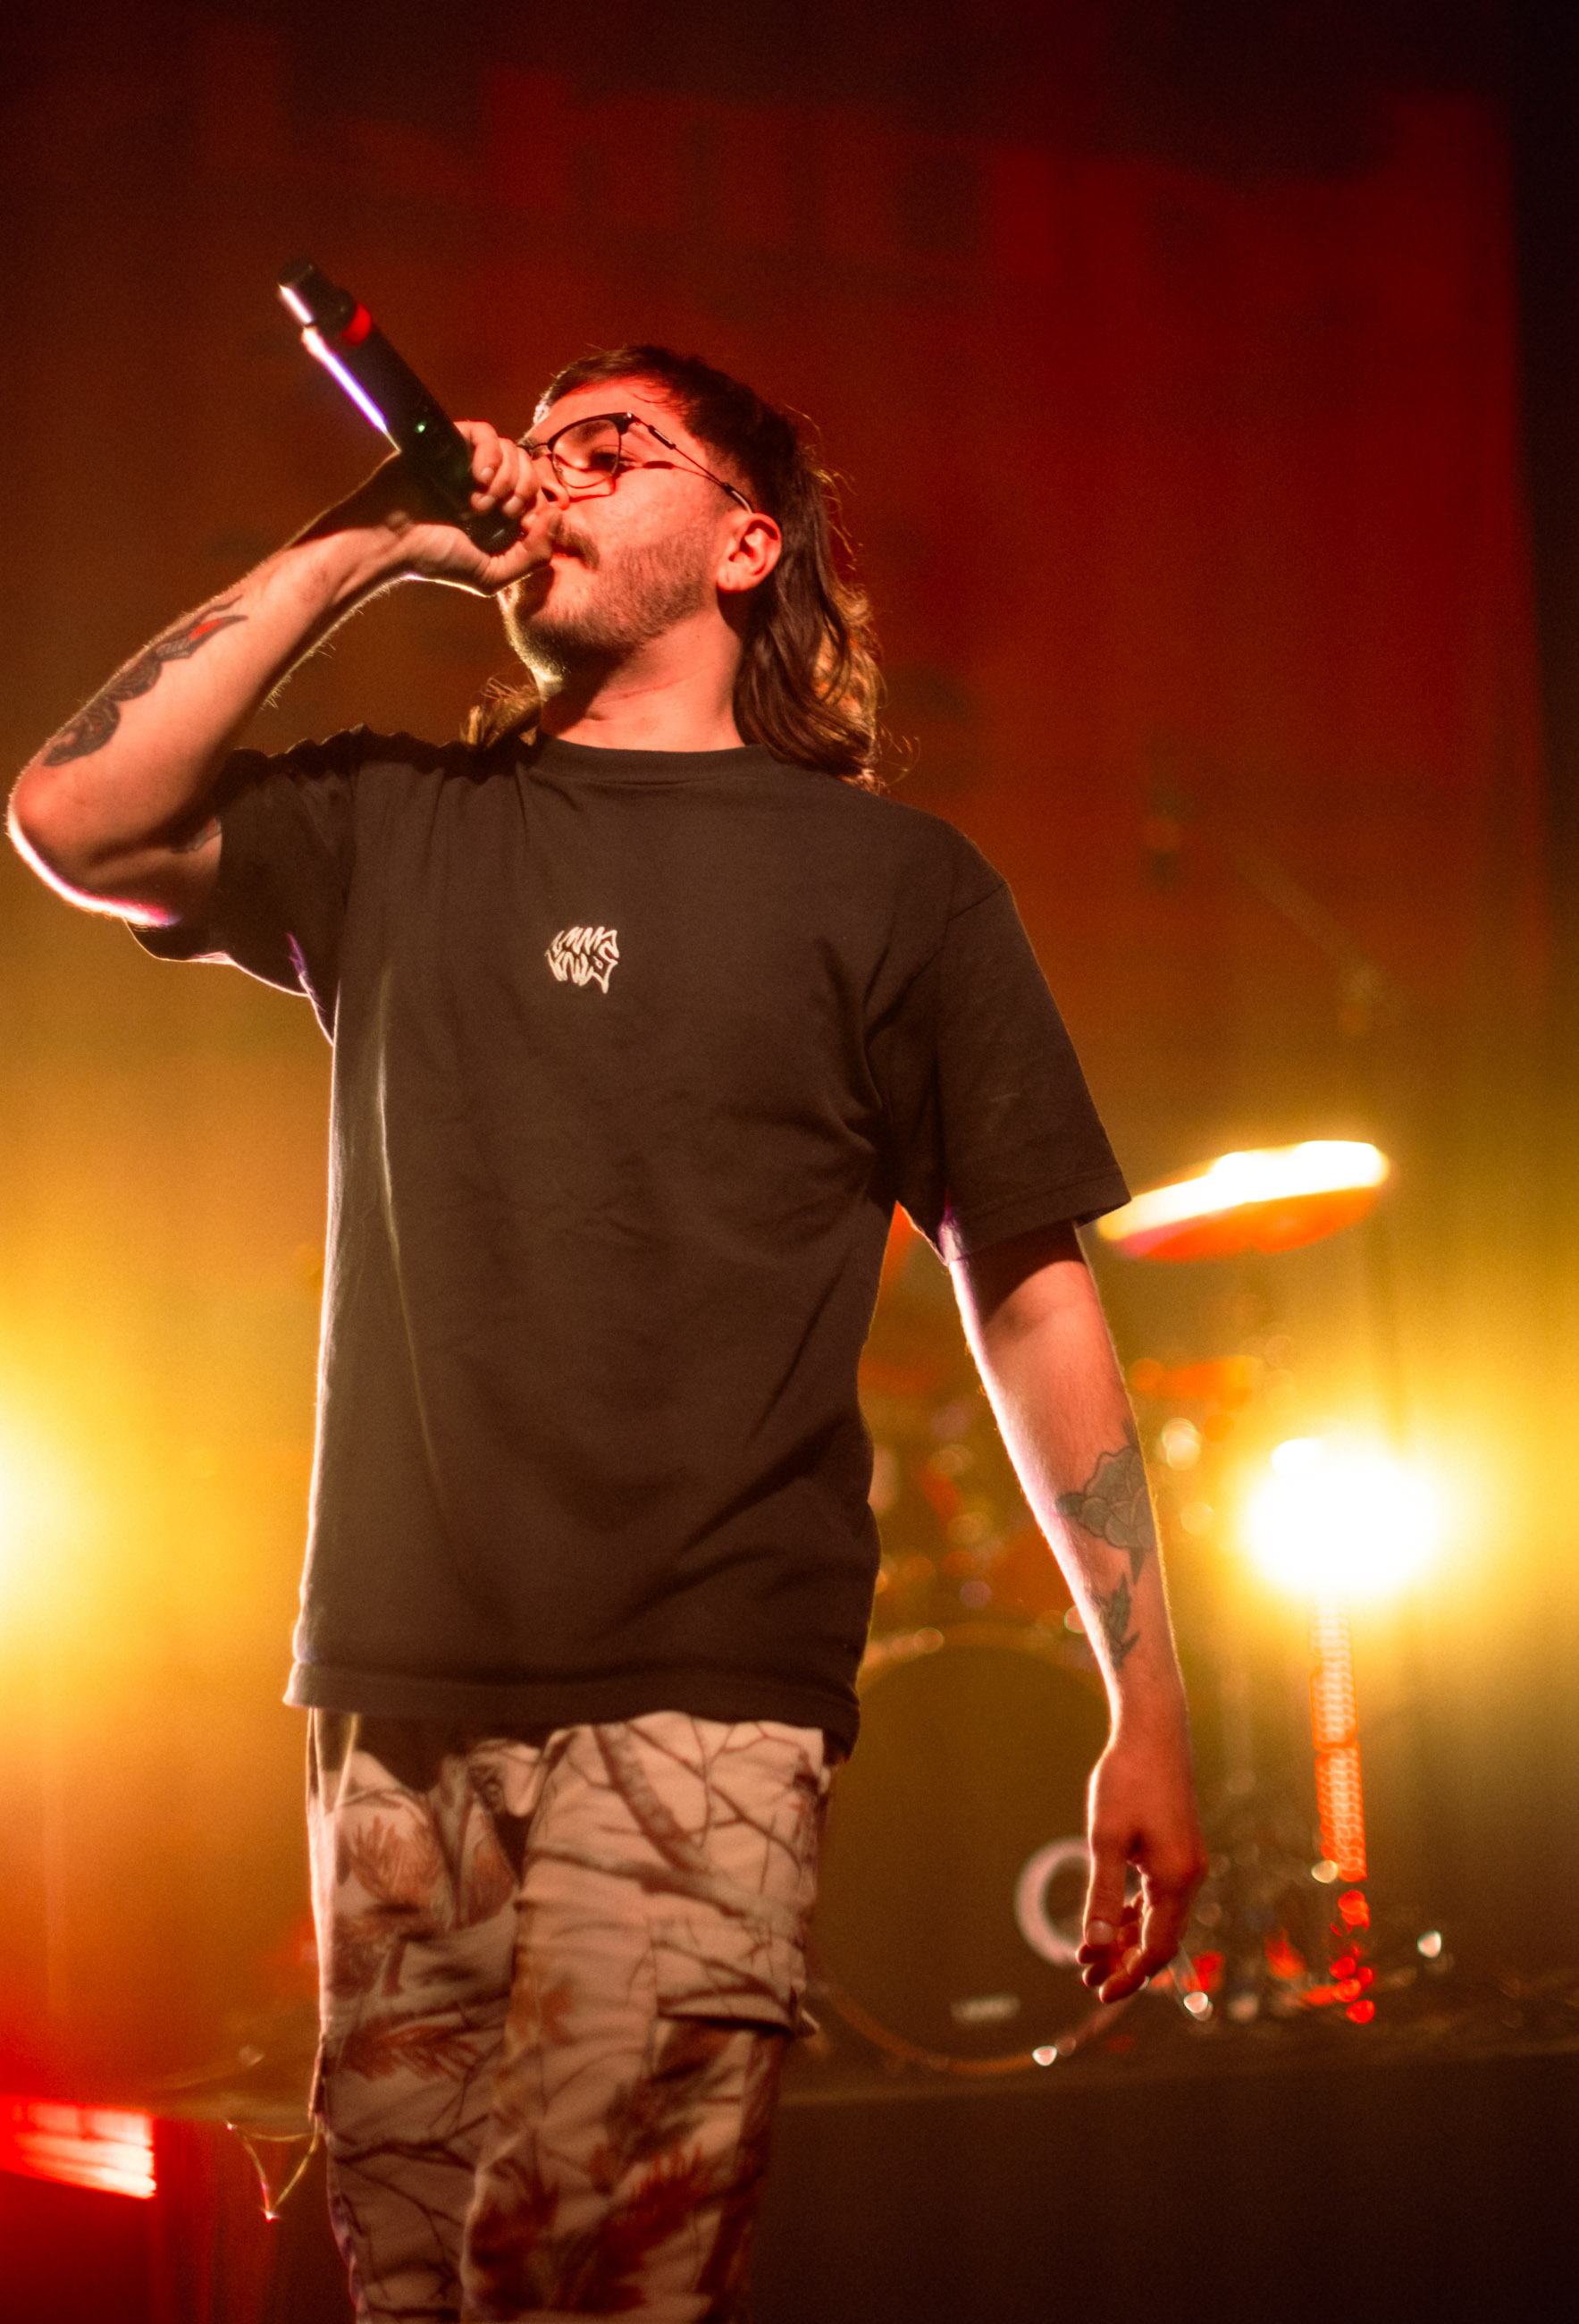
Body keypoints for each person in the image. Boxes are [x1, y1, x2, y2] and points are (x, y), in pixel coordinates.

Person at [9, 343, 1205, 2323]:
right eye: (534, 451)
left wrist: (1141, 1700)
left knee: (592, 2286)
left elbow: (1030, 1285)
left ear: (744, 544)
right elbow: (71, 812)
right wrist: (363, 542)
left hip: (704, 1685)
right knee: (414, 2280)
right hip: (398, 1684)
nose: (548, 484)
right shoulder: (397, 823)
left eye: (611, 451)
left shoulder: (888, 884)